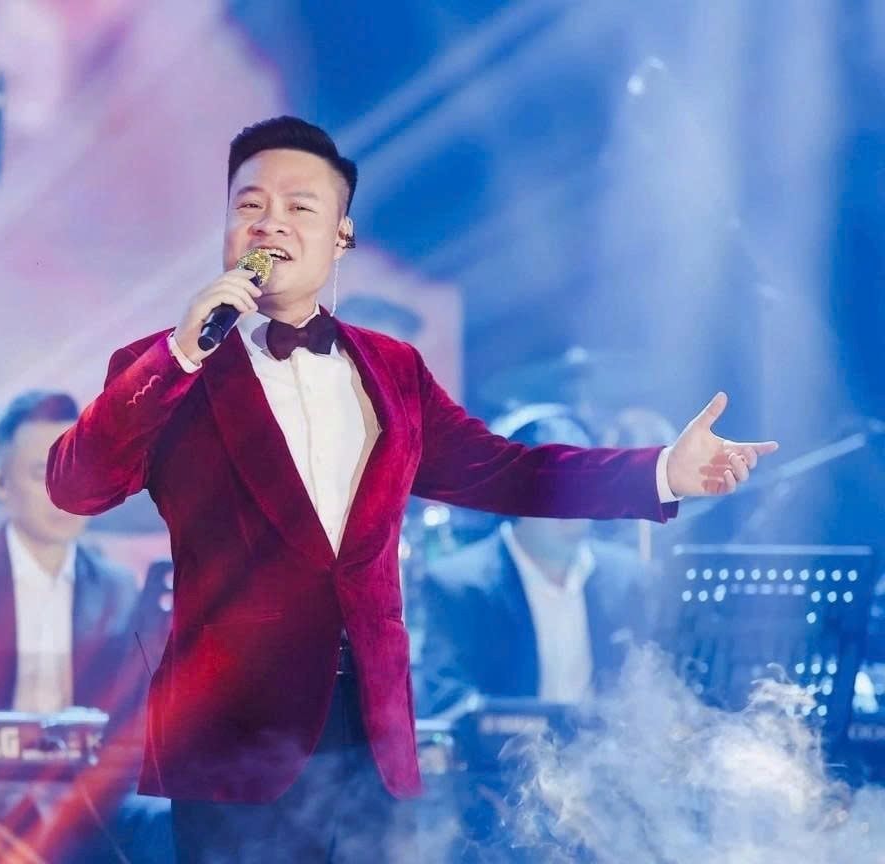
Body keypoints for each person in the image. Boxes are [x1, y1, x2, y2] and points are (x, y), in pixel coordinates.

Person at [44, 116, 778, 863]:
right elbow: (76, 486)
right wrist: (180, 353)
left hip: (372, 741)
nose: (270, 223)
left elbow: (509, 471)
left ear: (341, 235)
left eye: (299, 206)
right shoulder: (167, 370)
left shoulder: (393, 370)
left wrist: (660, 471)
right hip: (235, 750)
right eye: (249, 205)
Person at [0, 389, 172, 863]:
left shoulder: (118, 588)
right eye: (43, 473)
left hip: (86, 799)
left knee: (169, 822)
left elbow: (129, 727)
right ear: (0, 484)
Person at [418, 406, 652, 715]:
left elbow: (653, 685)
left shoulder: (629, 577)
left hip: (610, 746)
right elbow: (448, 702)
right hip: (510, 748)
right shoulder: (457, 586)